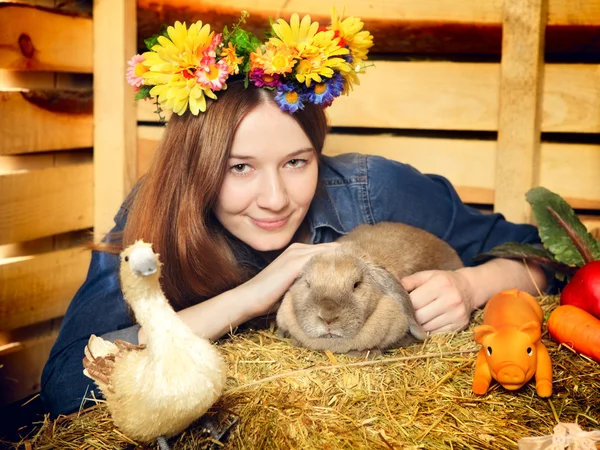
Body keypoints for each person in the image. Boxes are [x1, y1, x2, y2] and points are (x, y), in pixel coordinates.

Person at [41, 11, 553, 417]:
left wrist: (471, 286)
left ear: (317, 150)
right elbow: (66, 385)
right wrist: (247, 299)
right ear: (195, 167)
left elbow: (540, 256)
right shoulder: (153, 215)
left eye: (295, 162)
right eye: (239, 167)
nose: (275, 198)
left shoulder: (371, 188)